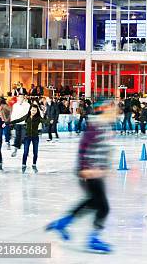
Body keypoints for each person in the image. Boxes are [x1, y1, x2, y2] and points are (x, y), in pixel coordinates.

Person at [46, 101, 114, 253]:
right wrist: (84, 169)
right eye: (111, 109)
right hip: (90, 173)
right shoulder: (95, 126)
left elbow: (104, 150)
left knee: (91, 203)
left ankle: (62, 223)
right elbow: (83, 148)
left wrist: (105, 167)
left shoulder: (104, 127)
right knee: (103, 207)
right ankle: (93, 239)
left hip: (96, 172)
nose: (115, 112)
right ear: (103, 110)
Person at [10, 104, 46, 173]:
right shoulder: (27, 116)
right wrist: (9, 123)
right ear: (30, 110)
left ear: (37, 111)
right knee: (25, 152)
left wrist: (49, 121)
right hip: (27, 136)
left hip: (35, 137)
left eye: (35, 110)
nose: (33, 111)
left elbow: (45, 121)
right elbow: (19, 120)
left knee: (35, 152)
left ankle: (34, 164)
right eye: (32, 110)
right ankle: (23, 164)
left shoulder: (38, 117)